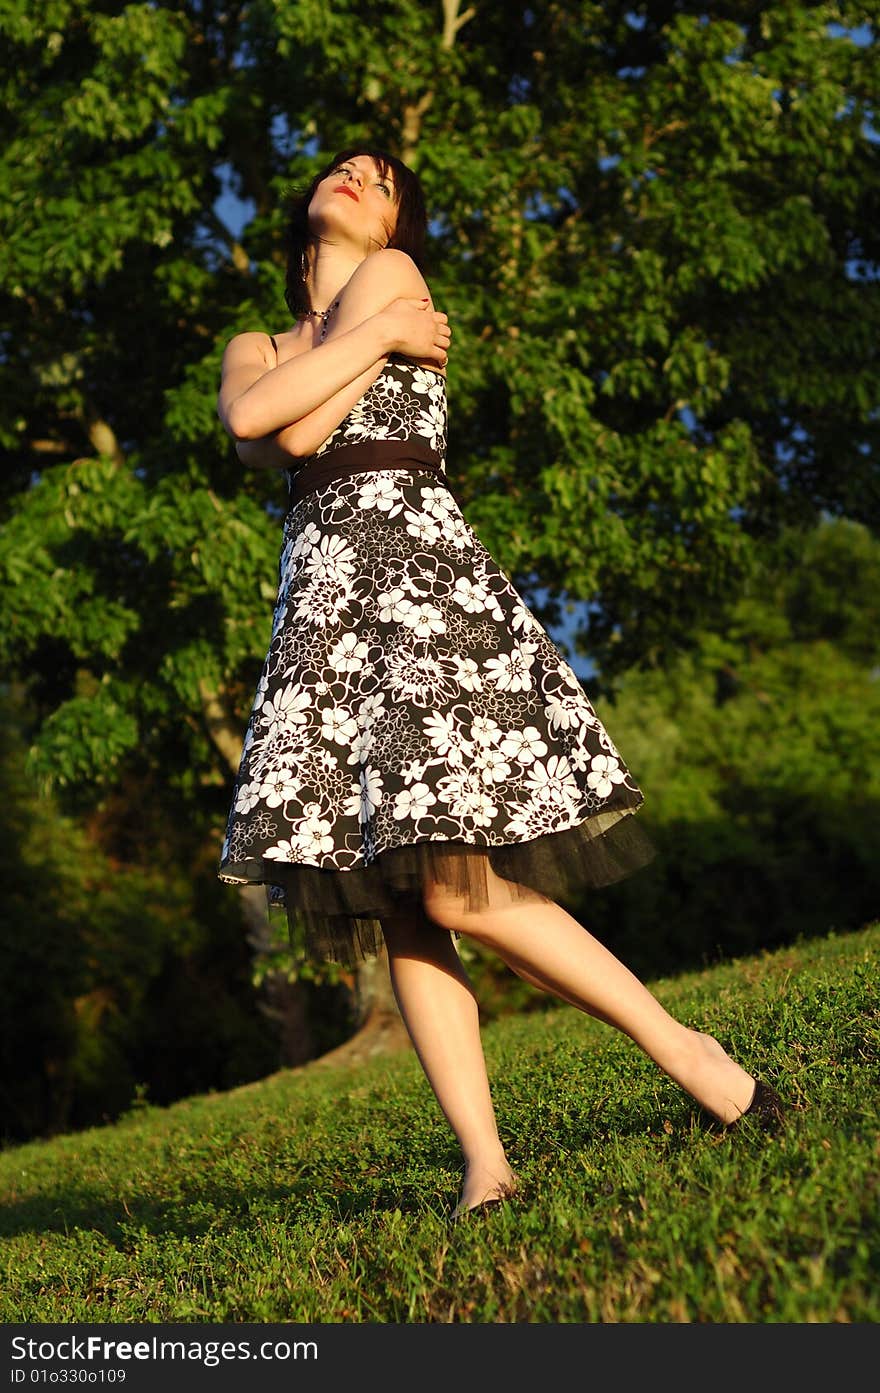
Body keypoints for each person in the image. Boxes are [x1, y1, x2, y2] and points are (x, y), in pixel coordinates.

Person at [216, 146, 784, 1221]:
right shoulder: (257, 343)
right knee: (400, 900)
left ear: (397, 228)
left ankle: (687, 1050)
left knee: (448, 884)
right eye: (344, 169)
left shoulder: (392, 279)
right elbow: (260, 423)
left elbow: (293, 427)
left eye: (383, 183)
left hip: (419, 586)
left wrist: (375, 328)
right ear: (300, 205)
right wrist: (373, 349)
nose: (359, 182)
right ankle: (485, 1160)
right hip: (328, 612)